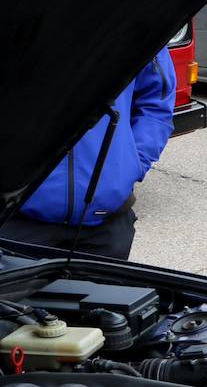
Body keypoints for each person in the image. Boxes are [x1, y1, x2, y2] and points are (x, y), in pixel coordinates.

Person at [0, 50, 174, 259]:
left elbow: (156, 101)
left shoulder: (132, 30)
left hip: (106, 228)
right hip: (17, 221)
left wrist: (134, 164)